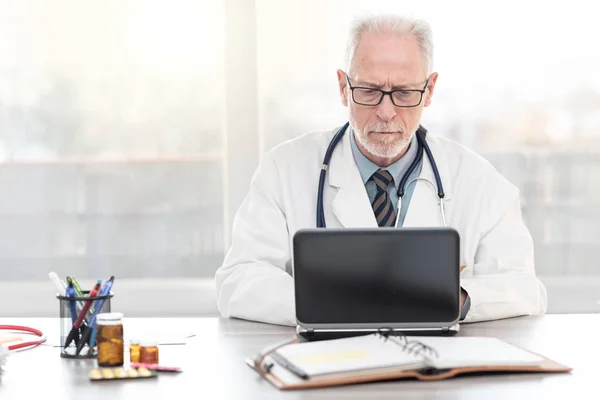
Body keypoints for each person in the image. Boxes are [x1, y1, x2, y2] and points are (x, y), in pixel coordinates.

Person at [215, 14, 547, 326]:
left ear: (429, 90)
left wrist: (454, 298)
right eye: (370, 91)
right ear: (344, 87)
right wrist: (333, 301)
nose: (386, 112)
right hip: (329, 370)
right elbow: (239, 279)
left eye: (403, 93)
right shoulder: (283, 170)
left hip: (435, 375)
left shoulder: (480, 182)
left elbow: (524, 288)